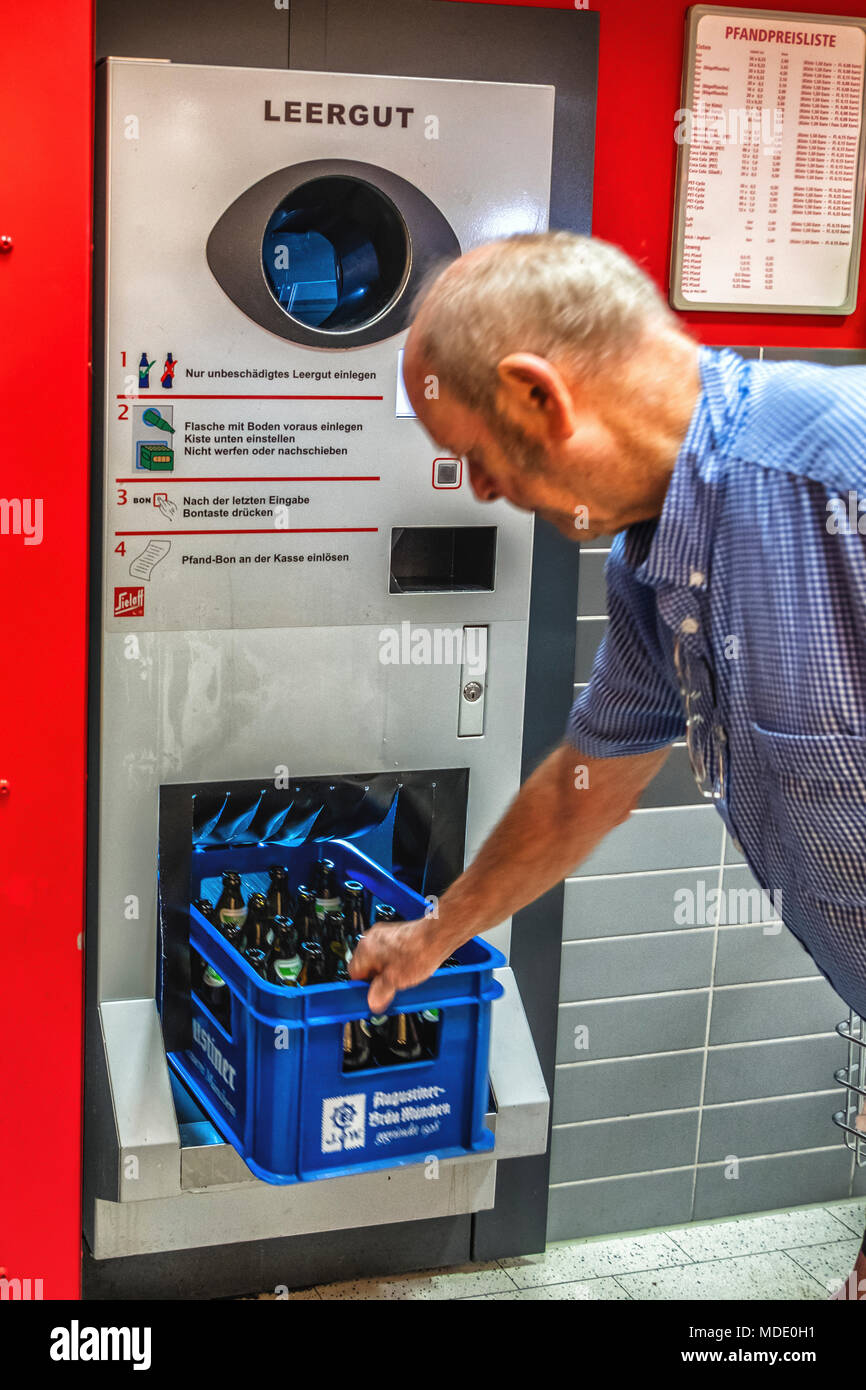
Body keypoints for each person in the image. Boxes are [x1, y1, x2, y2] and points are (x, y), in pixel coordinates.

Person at [348, 231, 866, 1299]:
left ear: (539, 396)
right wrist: (437, 932)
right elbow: (583, 788)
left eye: (476, 457)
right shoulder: (655, 561)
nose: (483, 491)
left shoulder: (833, 474)